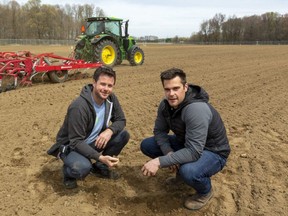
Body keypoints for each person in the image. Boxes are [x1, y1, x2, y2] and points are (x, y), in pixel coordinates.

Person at [140, 68, 230, 210]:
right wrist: (168, 152)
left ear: (185, 87)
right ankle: (181, 178)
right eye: (167, 89)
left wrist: (159, 161)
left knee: (189, 171)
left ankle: (205, 192)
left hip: (213, 151)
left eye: (176, 88)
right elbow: (159, 131)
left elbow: (194, 151)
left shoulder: (196, 109)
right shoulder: (166, 105)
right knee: (148, 145)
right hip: (186, 143)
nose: (171, 94)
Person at [47, 66, 129, 189]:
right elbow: (76, 141)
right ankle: (68, 173)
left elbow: (121, 120)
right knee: (82, 168)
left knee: (123, 135)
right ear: (94, 83)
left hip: (92, 141)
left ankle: (100, 167)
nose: (106, 89)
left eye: (110, 85)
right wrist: (100, 157)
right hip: (71, 147)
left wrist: (109, 131)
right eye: (102, 84)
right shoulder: (79, 107)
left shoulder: (111, 99)